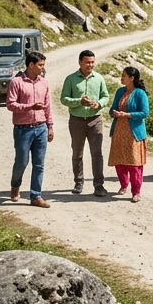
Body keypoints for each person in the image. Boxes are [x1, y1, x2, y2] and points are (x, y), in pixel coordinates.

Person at [6, 51, 54, 208]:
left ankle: (36, 196)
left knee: (39, 164)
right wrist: (30, 107)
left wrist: (50, 126)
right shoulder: (17, 82)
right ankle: (15, 186)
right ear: (31, 65)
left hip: (41, 128)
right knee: (22, 162)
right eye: (40, 65)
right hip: (22, 129)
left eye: (43, 65)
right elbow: (10, 104)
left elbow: (48, 107)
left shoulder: (44, 83)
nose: (42, 68)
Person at [61, 49, 111, 197]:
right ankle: (78, 182)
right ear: (80, 62)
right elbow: (64, 99)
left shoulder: (99, 78)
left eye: (92, 62)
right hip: (76, 120)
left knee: (97, 154)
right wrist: (79, 101)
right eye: (87, 62)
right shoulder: (70, 79)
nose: (90, 65)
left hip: (95, 120)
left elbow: (105, 96)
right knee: (77, 153)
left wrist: (99, 104)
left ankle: (99, 185)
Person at [108, 67, 150, 202]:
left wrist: (127, 115)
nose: (121, 78)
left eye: (124, 76)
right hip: (119, 131)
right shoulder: (120, 91)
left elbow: (145, 113)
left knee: (134, 162)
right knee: (119, 160)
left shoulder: (140, 93)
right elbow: (112, 109)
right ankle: (123, 184)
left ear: (131, 78)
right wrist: (114, 112)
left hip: (133, 133)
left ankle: (136, 191)